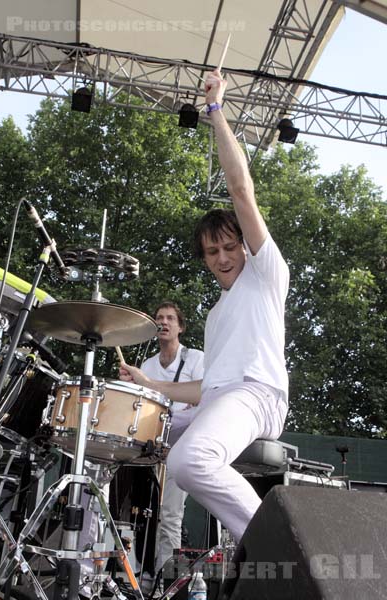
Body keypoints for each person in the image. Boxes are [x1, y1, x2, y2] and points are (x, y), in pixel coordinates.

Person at [120, 68, 289, 545]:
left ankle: (274, 544)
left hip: (256, 395)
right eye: (212, 253)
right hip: (219, 398)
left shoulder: (266, 274)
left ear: (244, 245)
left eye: (229, 247)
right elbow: (203, 389)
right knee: (132, 441)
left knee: (190, 461)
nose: (223, 258)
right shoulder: (217, 314)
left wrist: (216, 111)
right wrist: (149, 385)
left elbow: (241, 190)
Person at [141, 302, 204, 572]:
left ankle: (165, 581)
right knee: (140, 513)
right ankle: (139, 573)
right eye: (159, 318)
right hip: (150, 447)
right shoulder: (146, 365)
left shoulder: (196, 359)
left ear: (181, 326)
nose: (163, 322)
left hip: (180, 449)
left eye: (170, 318)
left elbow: (204, 399)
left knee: (169, 517)